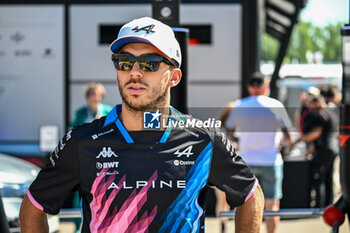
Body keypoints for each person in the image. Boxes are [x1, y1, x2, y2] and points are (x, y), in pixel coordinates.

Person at [19, 17, 264, 233]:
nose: (134, 72)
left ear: (174, 77)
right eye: (124, 62)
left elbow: (251, 196)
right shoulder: (82, 141)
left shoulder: (203, 140)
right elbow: (33, 208)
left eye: (149, 63)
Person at [225, 73, 292, 233]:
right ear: (265, 87)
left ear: (249, 88)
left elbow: (228, 133)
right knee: (272, 206)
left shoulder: (239, 105)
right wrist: (281, 143)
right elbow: (288, 137)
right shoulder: (275, 105)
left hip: (246, 162)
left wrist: (241, 140)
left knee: (245, 205)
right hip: (271, 161)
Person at [293, 95, 339, 208]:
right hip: (333, 149)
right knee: (328, 178)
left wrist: (298, 140)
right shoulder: (332, 112)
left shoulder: (319, 114)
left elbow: (315, 134)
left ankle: (319, 207)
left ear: (318, 103)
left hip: (325, 150)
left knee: (319, 178)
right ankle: (329, 205)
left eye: (311, 104)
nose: (309, 107)